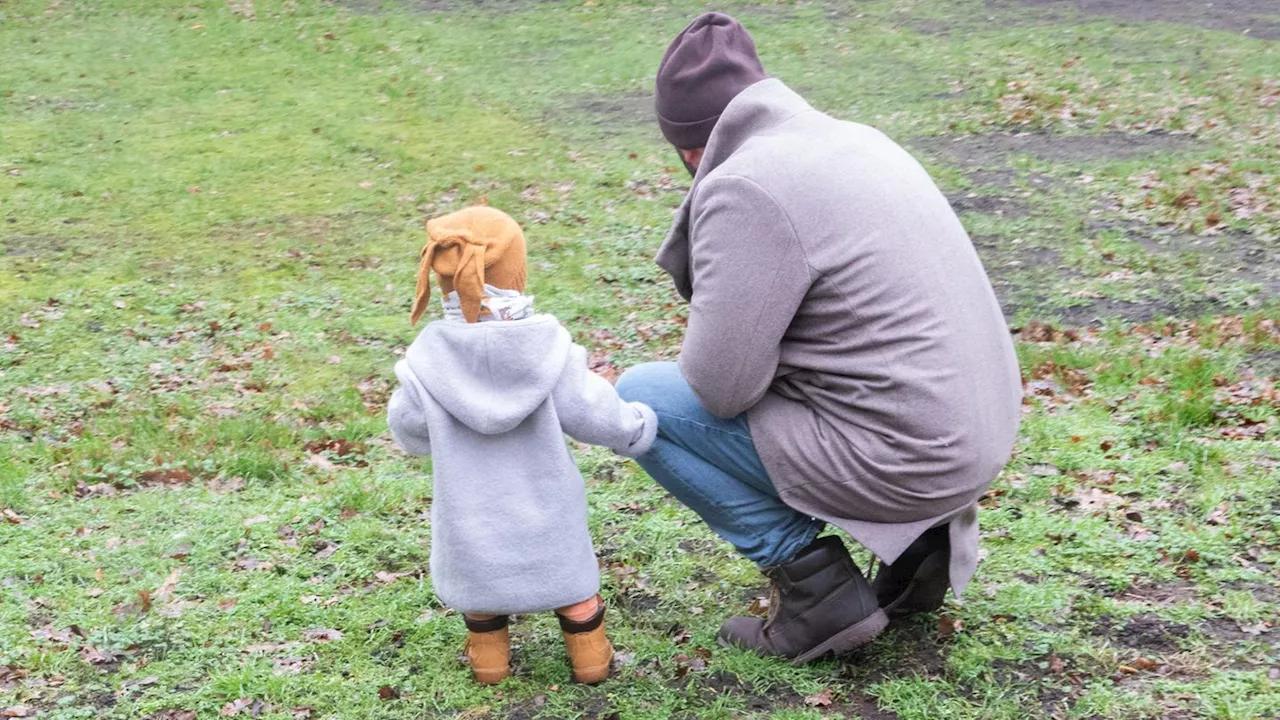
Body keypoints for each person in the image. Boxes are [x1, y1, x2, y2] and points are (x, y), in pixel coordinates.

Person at [615, 12, 1022, 663]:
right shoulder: (856, 139)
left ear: (691, 147)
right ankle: (923, 544)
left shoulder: (747, 184)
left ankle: (816, 591)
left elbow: (720, 388)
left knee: (642, 402)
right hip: (974, 438)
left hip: (911, 455)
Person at [387, 206, 658, 684]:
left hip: (470, 518)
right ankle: (590, 658)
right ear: (515, 270)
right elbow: (592, 411)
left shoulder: (426, 363)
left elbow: (409, 432)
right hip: (547, 512)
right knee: (574, 591)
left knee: (480, 593)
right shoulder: (548, 349)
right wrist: (636, 427)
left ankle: (490, 662)